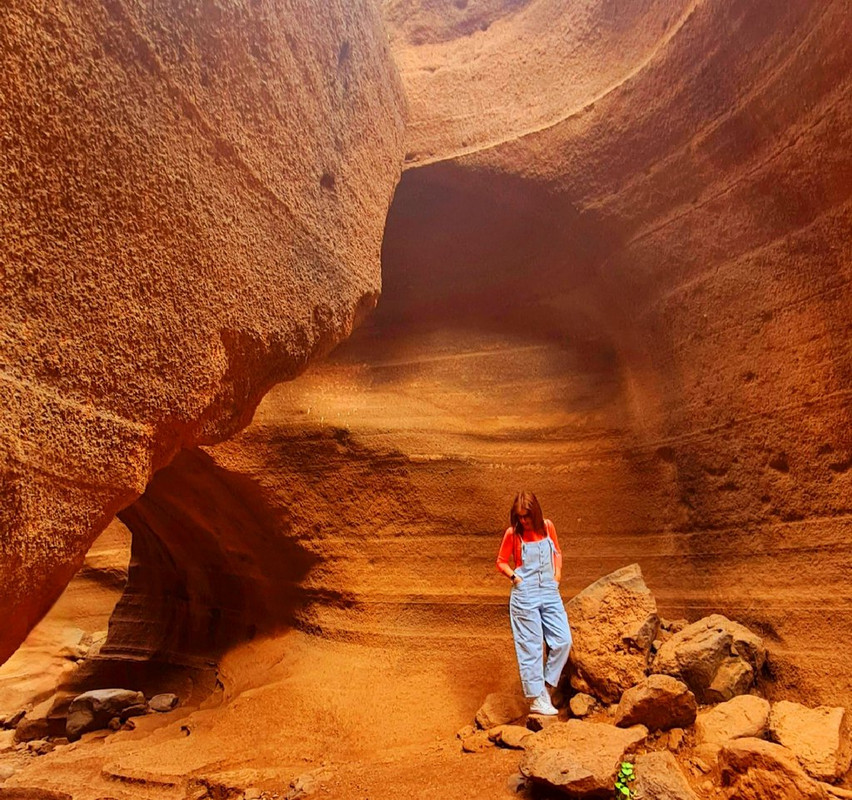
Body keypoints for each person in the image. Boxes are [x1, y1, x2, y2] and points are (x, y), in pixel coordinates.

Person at [496, 491, 572, 715]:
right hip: (525, 593)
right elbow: (501, 561)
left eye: (527, 516)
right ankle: (537, 699)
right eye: (519, 517)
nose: (523, 521)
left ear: (535, 513)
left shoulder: (548, 527)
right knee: (531, 646)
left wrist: (557, 574)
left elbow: (556, 552)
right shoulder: (514, 534)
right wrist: (515, 578)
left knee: (562, 640)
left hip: (549, 590)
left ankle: (546, 687)